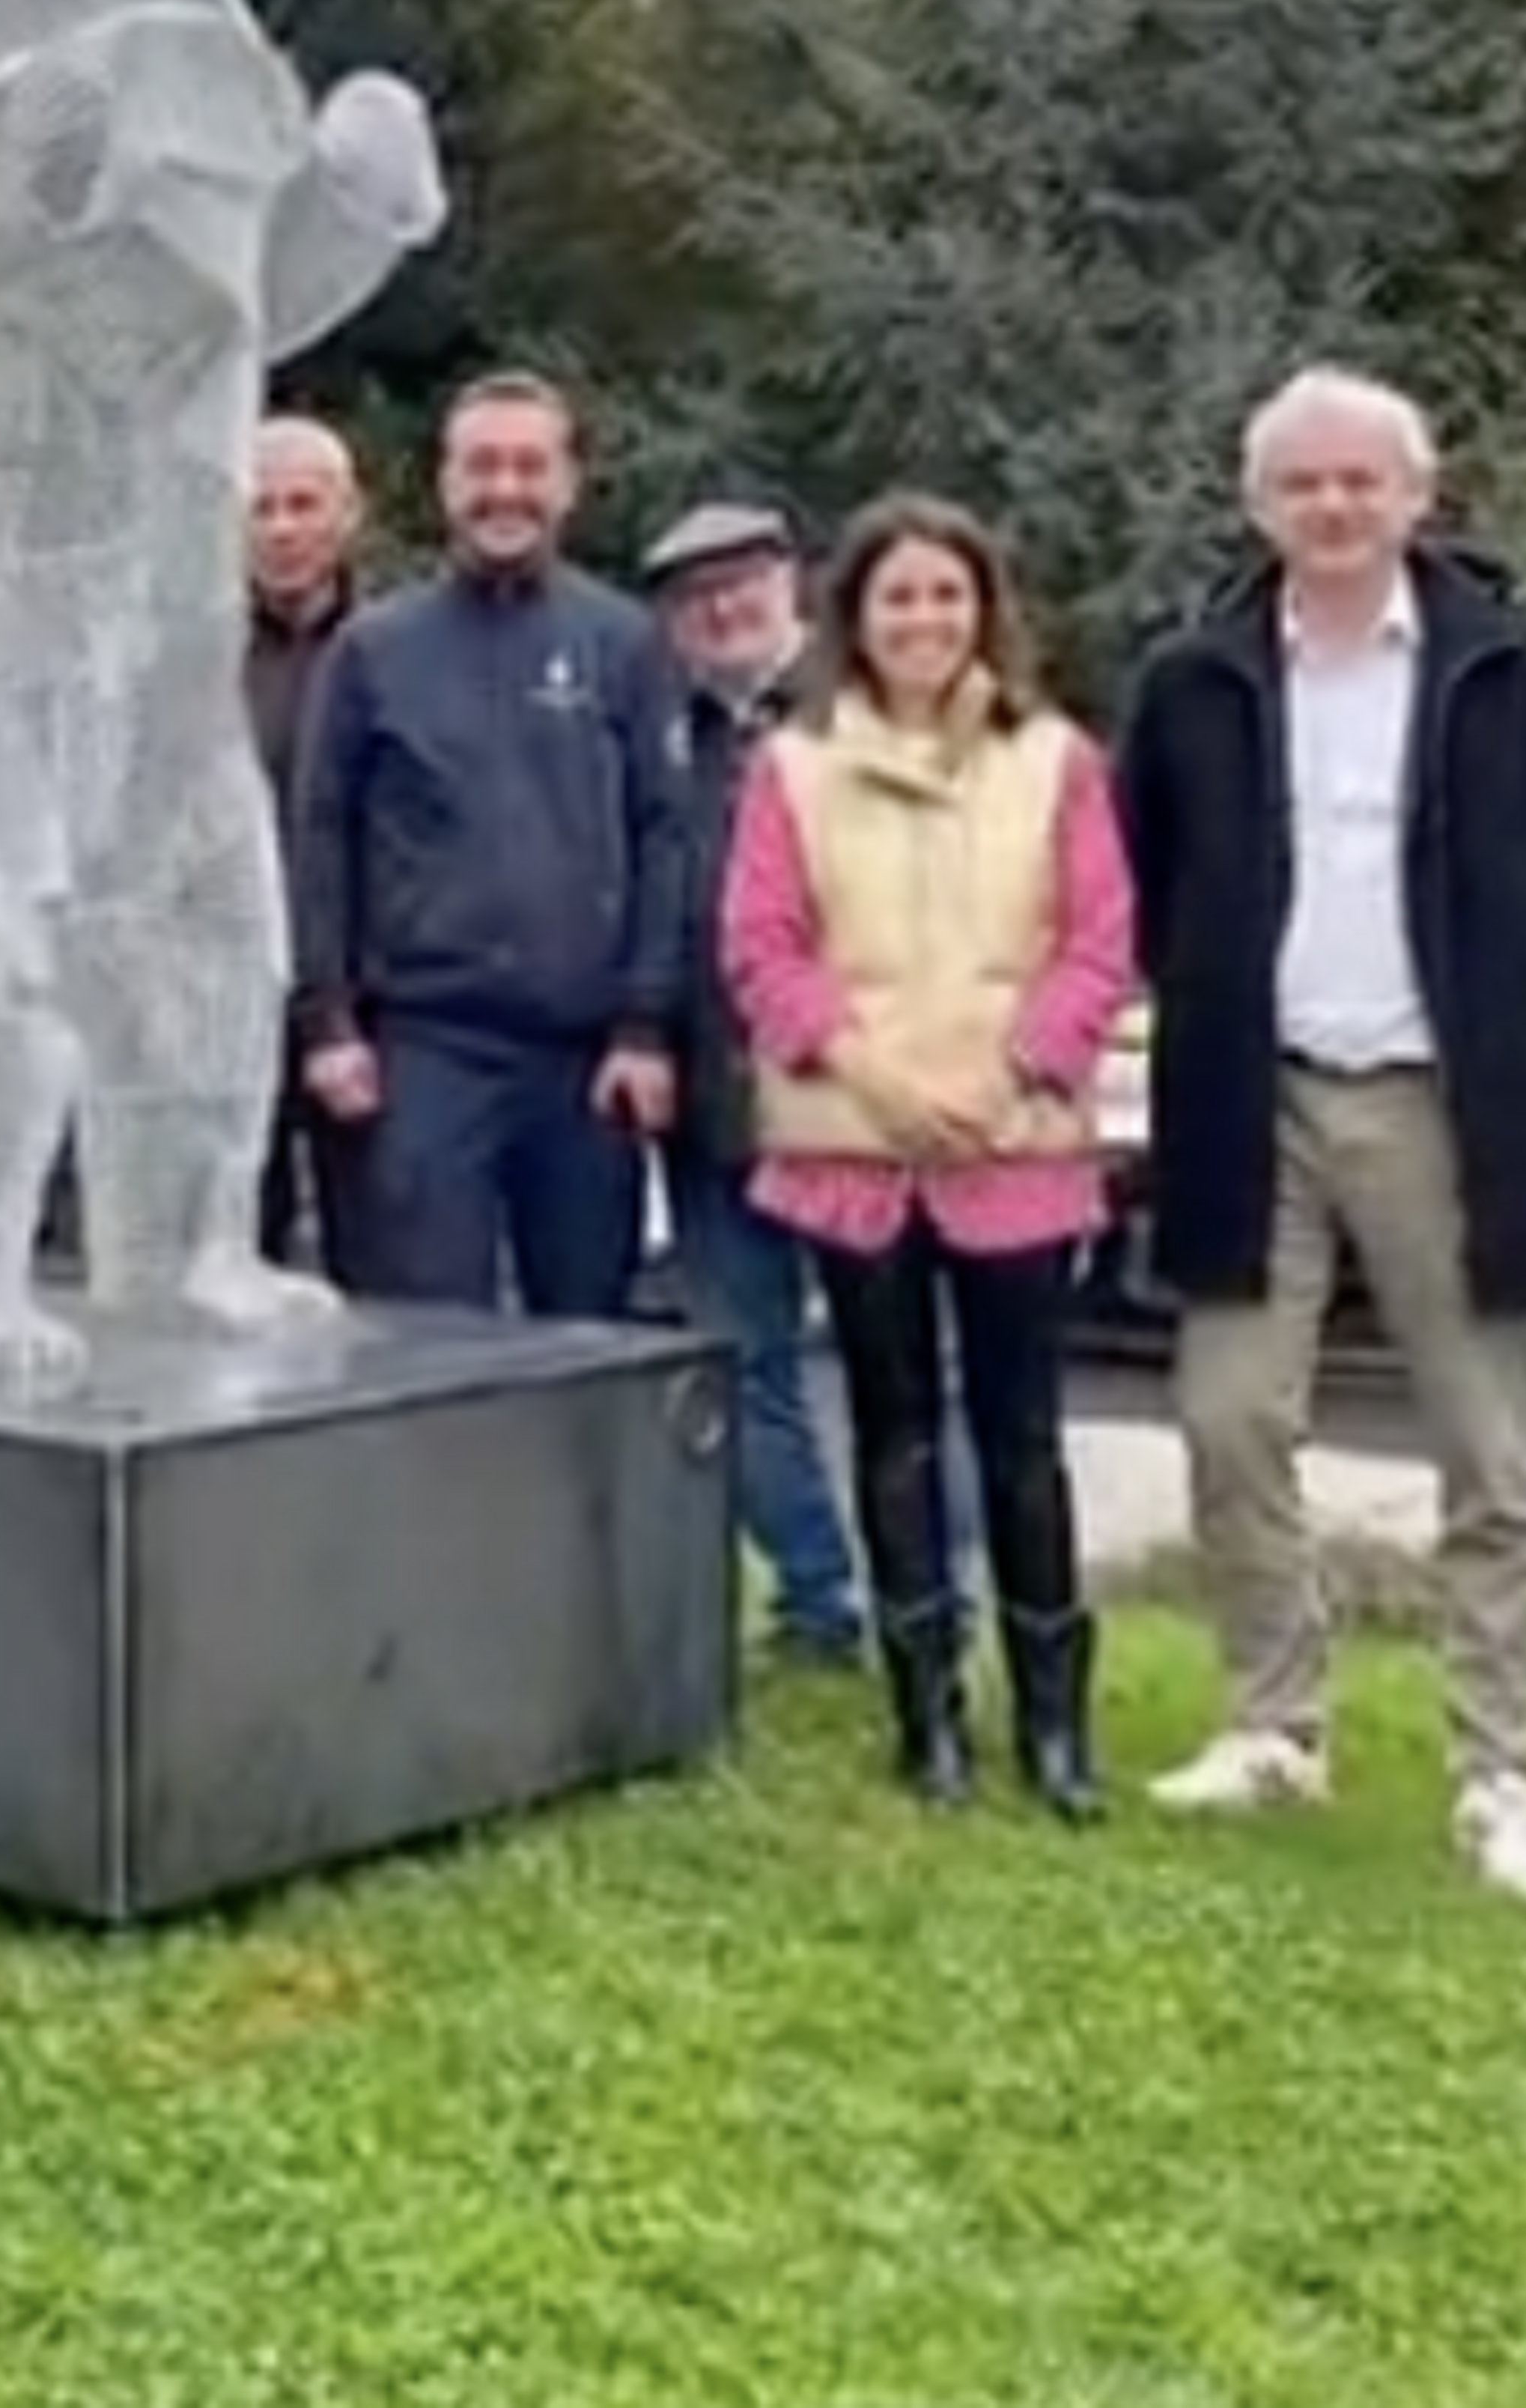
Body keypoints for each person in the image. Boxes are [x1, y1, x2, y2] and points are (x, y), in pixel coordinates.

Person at [1112, 367, 1526, 1905]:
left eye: (1364, 482)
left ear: (1419, 495)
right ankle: (1276, 1723)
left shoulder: (1517, 667)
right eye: (1305, 484)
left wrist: (1511, 999)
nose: (1335, 508)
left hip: (1448, 1098)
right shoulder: (1196, 678)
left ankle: (1503, 1775)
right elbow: (1146, 878)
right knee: (1229, 1418)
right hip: (1248, 1096)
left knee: (1486, 1446)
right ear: (1259, 502)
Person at [723, 497, 1138, 1811]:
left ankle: (1055, 1726)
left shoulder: (1056, 760)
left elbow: (1097, 937)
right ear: (857, 616)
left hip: (1011, 1146)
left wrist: (1012, 1070)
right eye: (897, 597)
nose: (922, 620)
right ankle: (928, 1718)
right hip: (860, 1148)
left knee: (1023, 1437)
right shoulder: (790, 770)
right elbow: (762, 946)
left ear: (983, 609)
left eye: (945, 596)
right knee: (894, 1432)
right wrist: (875, 1078)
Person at [288, 373, 690, 1317]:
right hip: (424, 1053)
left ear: (569, 484)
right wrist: (328, 1022)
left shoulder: (625, 643)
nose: (504, 489)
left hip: (587, 1064)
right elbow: (321, 839)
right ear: (444, 484)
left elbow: (664, 837)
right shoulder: (373, 650)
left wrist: (646, 1026)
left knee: (584, 1340)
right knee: (424, 1344)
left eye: (529, 466)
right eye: (482, 467)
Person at [639, 499, 867, 1666]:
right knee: (746, 1365)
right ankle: (819, 1604)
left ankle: (926, 1589)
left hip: (859, 1105)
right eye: (695, 593)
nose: (723, 607)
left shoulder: (870, 709)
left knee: (898, 1368)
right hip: (716, 1112)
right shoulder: (658, 738)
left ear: (794, 585)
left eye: (743, 581)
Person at [242, 414, 368, 1271]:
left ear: (347, 514)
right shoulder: (189, 654)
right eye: (261, 508)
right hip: (228, 997)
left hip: (365, 998)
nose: (283, 528)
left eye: (303, 504)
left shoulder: (398, 648)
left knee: (377, 1251)